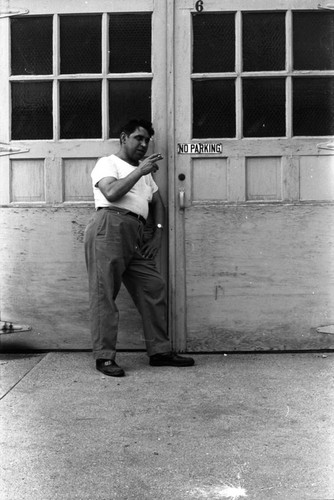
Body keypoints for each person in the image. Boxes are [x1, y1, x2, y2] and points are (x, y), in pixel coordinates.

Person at [84, 119, 194, 377]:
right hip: (108, 227)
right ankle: (105, 357)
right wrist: (140, 171)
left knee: (153, 286)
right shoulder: (108, 163)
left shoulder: (146, 174)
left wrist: (156, 232)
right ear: (123, 138)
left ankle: (159, 352)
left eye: (147, 140)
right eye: (138, 138)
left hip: (137, 233)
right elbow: (111, 192)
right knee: (104, 295)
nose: (143, 144)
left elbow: (158, 204)